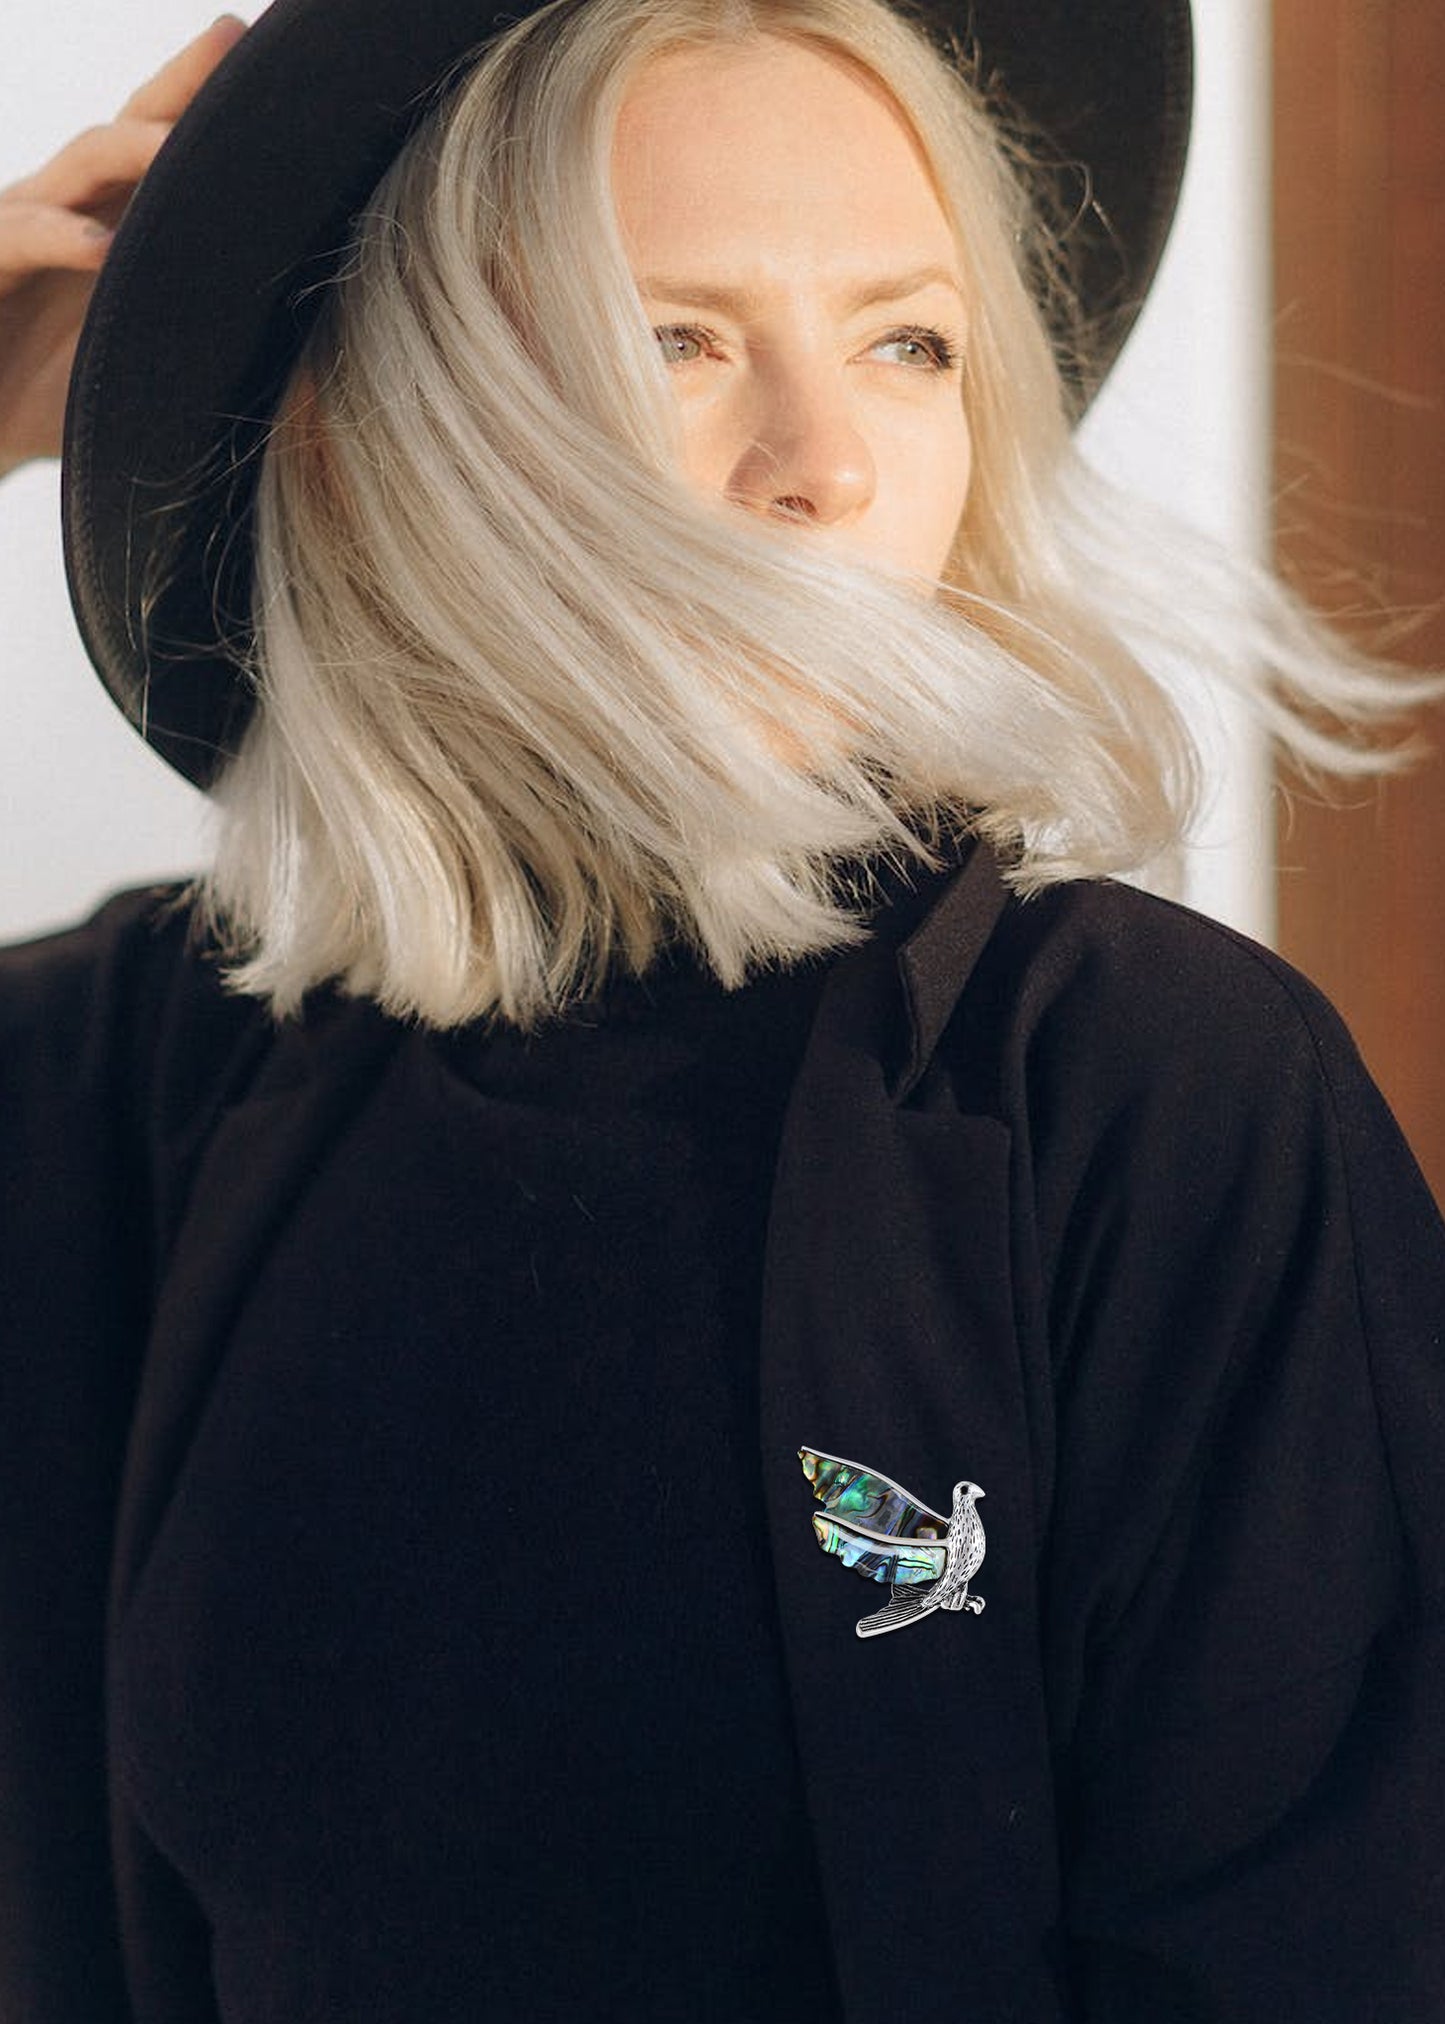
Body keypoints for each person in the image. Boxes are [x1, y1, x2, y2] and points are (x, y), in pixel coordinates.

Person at [1, 1, 1442, 2018]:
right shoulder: (146, 1083)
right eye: (674, 339)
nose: (823, 465)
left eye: (907, 343)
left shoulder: (1157, 1097)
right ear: (374, 425)